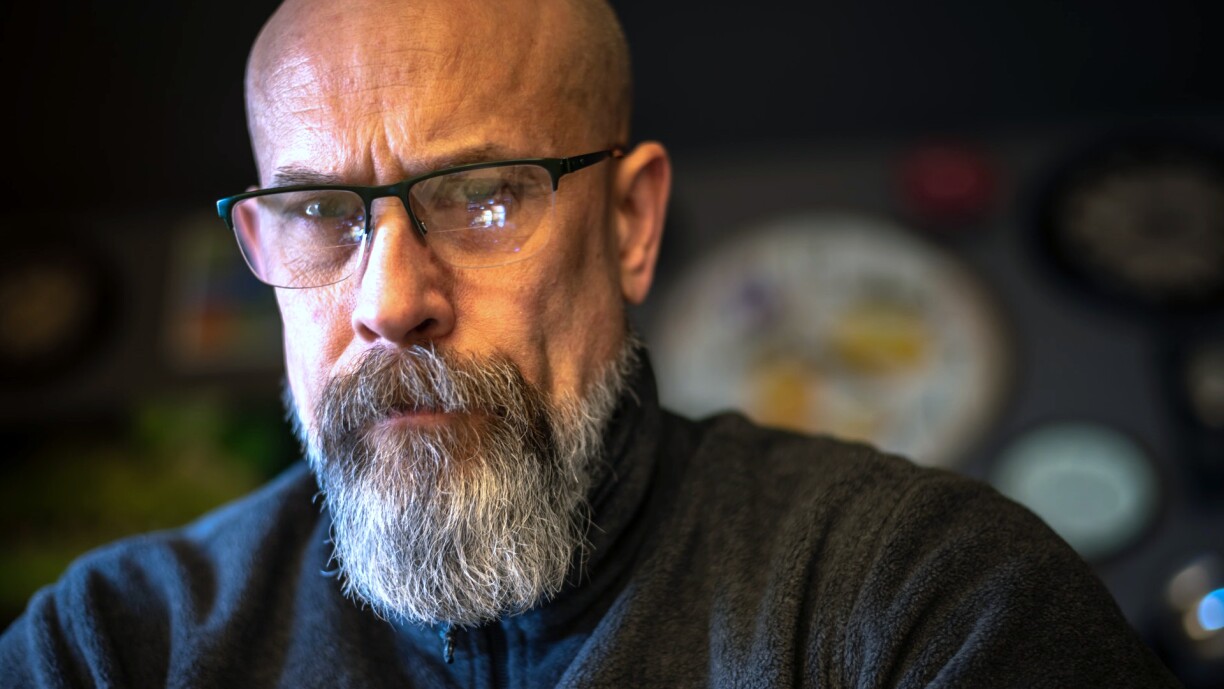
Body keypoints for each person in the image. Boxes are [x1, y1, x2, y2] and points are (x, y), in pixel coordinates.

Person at [0, 0, 1183, 686]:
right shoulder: (114, 646)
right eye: (317, 212)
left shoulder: (923, 601)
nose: (389, 300)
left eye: (482, 195)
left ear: (630, 225)